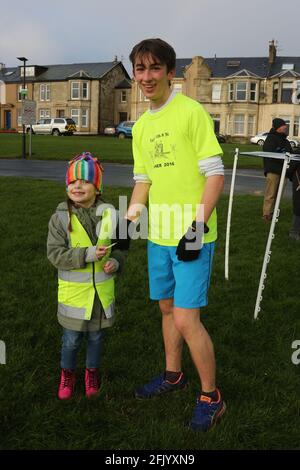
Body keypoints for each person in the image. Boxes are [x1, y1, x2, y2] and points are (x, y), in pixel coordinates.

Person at [123, 38, 225, 432]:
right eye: (140, 69)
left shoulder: (191, 112)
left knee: (186, 319)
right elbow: (142, 179)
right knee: (166, 310)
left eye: (154, 69)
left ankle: (211, 397)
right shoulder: (142, 125)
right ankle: (172, 375)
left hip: (192, 235)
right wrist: (127, 220)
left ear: (170, 71)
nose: (146, 77)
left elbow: (215, 174)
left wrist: (197, 229)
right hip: (160, 237)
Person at [47, 152, 125, 400]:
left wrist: (115, 262)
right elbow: (55, 255)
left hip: (101, 296)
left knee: (96, 337)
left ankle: (92, 372)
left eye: (85, 181)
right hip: (74, 297)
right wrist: (87, 254)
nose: (77, 186)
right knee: (71, 340)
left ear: (98, 187)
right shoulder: (59, 219)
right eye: (72, 182)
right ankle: (67, 373)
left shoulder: (111, 215)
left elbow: (121, 249)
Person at [262, 118, 300, 240]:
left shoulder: (285, 140)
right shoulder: (271, 138)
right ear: (278, 127)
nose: (286, 128)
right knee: (270, 194)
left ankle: (275, 212)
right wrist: (283, 155)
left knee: (279, 194)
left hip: (283, 171)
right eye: (284, 126)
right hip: (273, 171)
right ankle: (267, 214)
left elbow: (289, 152)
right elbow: (270, 154)